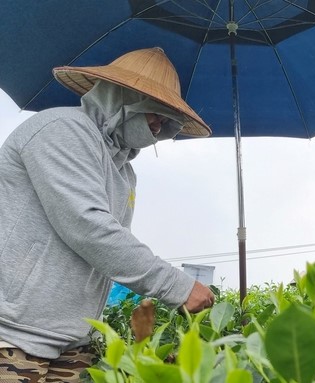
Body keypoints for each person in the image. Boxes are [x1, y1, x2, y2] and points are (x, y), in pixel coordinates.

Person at [0, 47, 216, 381]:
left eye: (166, 118)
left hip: (73, 342)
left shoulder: (125, 171)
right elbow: (88, 227)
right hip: (13, 334)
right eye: (154, 112)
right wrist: (177, 285)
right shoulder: (61, 130)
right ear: (121, 99)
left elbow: (114, 244)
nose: (159, 125)